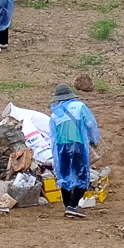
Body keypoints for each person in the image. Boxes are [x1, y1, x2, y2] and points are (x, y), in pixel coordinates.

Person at [49, 85, 98, 218]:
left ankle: (68, 207)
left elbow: (52, 136)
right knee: (82, 176)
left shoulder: (54, 114)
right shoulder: (79, 106)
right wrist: (94, 140)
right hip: (77, 145)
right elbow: (90, 124)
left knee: (64, 177)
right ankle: (72, 205)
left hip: (61, 148)